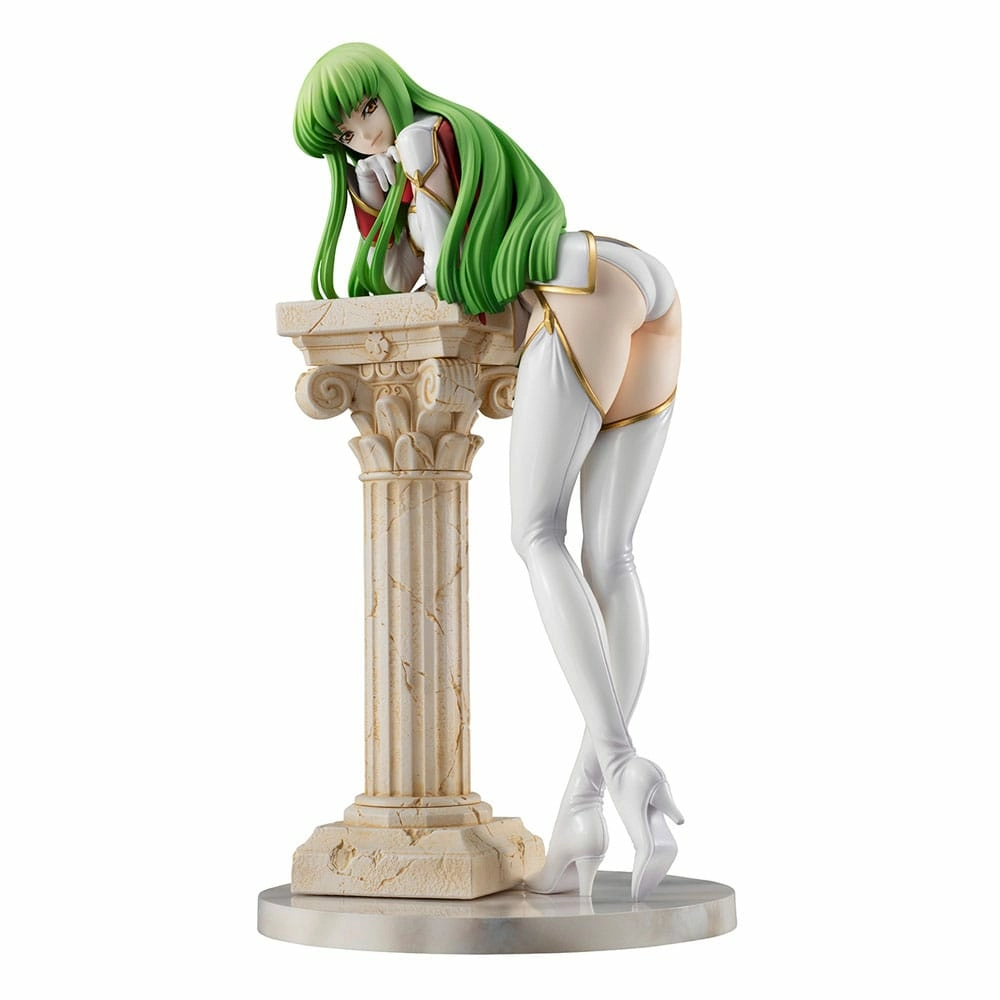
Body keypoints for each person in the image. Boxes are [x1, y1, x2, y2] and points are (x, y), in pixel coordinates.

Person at [294, 42, 684, 901]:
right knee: (611, 557)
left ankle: (624, 769)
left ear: (389, 92)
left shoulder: (422, 138)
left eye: (365, 110)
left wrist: (402, 189)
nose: (364, 134)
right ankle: (585, 806)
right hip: (632, 277)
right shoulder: (421, 149)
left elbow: (439, 281)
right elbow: (408, 265)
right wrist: (379, 199)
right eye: (346, 135)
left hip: (573, 293)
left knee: (535, 533)